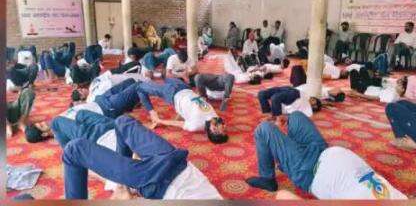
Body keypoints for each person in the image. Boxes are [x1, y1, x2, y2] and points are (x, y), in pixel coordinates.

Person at [246, 111, 406, 199]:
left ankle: (268, 178)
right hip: (323, 150)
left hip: (309, 170)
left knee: (263, 129)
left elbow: (284, 197)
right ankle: (287, 153)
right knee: (295, 116)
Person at [59, 114, 222, 199]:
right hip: (176, 161)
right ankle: (123, 182)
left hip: (158, 180)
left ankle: (124, 182)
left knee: (74, 150)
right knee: (123, 121)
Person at [136, 78, 228, 142]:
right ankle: (149, 82)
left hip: (171, 93)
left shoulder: (195, 126)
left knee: (140, 87)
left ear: (213, 130)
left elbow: (178, 124)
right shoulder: (215, 118)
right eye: (225, 128)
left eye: (222, 130)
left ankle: (148, 105)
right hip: (185, 87)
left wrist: (158, 120)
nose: (224, 126)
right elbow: (191, 110)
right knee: (166, 77)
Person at [257, 85, 322, 125]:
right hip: (290, 90)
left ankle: (278, 119)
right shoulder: (306, 95)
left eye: (314, 104)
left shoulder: (307, 107)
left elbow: (310, 117)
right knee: (261, 94)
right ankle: (270, 115)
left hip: (292, 93)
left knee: (275, 98)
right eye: (314, 100)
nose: (312, 102)